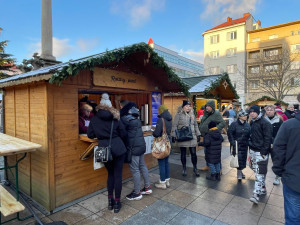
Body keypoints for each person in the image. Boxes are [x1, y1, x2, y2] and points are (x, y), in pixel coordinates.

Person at [87, 93, 127, 213]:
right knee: (118, 176)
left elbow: (90, 135)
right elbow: (124, 134)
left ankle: (110, 202)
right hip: (118, 149)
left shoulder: (94, 119)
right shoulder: (115, 118)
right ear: (110, 107)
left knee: (110, 175)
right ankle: (117, 203)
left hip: (104, 149)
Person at [272, 93, 300, 225]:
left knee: (293, 218)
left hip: (293, 179)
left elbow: (278, 150)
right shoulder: (288, 125)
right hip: (293, 178)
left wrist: (279, 171)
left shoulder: (289, 125)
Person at [120, 100, 152, 200]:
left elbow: (121, 133)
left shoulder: (124, 119)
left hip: (133, 147)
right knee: (142, 166)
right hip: (141, 145)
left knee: (135, 170)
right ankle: (147, 187)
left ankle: (137, 192)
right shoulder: (136, 118)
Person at [248, 104, 272, 204]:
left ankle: (256, 194)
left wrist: (264, 152)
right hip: (253, 150)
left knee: (259, 173)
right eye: (250, 112)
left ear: (258, 112)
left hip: (261, 152)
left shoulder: (265, 123)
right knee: (255, 170)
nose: (252, 113)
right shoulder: (252, 122)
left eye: (254, 111)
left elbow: (268, 138)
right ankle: (262, 188)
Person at [172, 100, 201, 177]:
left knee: (194, 153)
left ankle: (195, 168)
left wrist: (198, 134)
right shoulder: (178, 115)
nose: (188, 107)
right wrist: (174, 135)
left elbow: (195, 125)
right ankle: (184, 168)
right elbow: (175, 126)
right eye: (187, 106)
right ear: (183, 107)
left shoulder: (192, 115)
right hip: (182, 136)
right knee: (183, 154)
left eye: (189, 106)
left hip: (192, 136)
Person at [199, 100, 226, 171]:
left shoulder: (216, 114)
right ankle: (208, 165)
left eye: (209, 106)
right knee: (207, 152)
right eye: (206, 106)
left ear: (212, 107)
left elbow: (223, 123)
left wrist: (215, 129)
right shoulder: (206, 113)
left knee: (215, 154)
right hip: (206, 136)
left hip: (212, 137)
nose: (207, 107)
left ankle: (219, 169)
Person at [152, 105, 172, 189]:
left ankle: (162, 182)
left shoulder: (161, 120)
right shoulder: (170, 118)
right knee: (166, 162)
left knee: (161, 163)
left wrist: (153, 132)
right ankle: (167, 181)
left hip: (161, 144)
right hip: (168, 143)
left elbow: (157, 133)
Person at [227, 110, 251, 180]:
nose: (245, 117)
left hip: (244, 144)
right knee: (238, 159)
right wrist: (233, 142)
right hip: (237, 145)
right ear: (239, 117)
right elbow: (230, 133)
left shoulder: (247, 124)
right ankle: (239, 173)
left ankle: (240, 172)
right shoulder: (234, 124)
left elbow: (249, 133)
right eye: (243, 115)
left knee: (243, 159)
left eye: (246, 115)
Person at [264, 105, 283, 185]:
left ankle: (278, 176)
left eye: (271, 110)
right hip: (265, 144)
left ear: (274, 111)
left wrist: (274, 142)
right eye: (267, 110)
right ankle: (262, 176)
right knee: (263, 161)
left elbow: (281, 134)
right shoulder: (263, 120)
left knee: (276, 160)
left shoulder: (279, 120)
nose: (269, 111)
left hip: (275, 144)